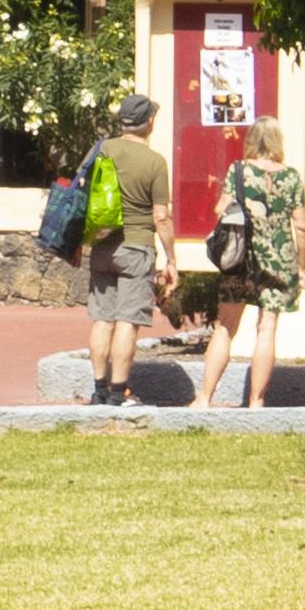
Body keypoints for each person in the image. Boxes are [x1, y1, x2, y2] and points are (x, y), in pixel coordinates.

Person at [78, 90, 175, 406]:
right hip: (136, 248)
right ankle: (119, 393)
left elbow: (81, 193)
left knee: (102, 319)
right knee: (127, 321)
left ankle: (99, 390)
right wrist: (171, 258)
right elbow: (161, 217)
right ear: (149, 122)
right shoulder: (155, 162)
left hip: (102, 247)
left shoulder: (100, 149)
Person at [204, 113, 305, 409]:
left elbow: (220, 209)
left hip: (241, 259)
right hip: (279, 259)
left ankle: (204, 397)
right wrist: (300, 266)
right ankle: (256, 401)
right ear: (278, 142)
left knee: (226, 326)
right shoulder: (290, 177)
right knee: (267, 328)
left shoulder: (239, 170)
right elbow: (301, 226)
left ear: (251, 140)